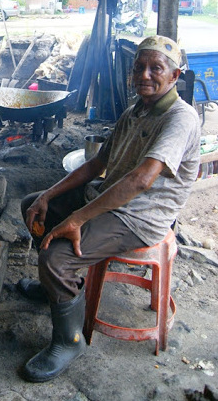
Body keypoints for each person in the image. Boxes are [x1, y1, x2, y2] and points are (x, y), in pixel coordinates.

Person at [18, 35, 201, 383]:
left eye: (156, 68)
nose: (145, 75)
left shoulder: (181, 118)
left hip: (141, 217)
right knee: (33, 206)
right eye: (139, 68)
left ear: (175, 76)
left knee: (56, 258)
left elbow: (141, 181)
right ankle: (55, 291)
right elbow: (98, 163)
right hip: (111, 197)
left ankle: (69, 342)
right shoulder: (136, 110)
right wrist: (48, 195)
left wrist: (77, 219)